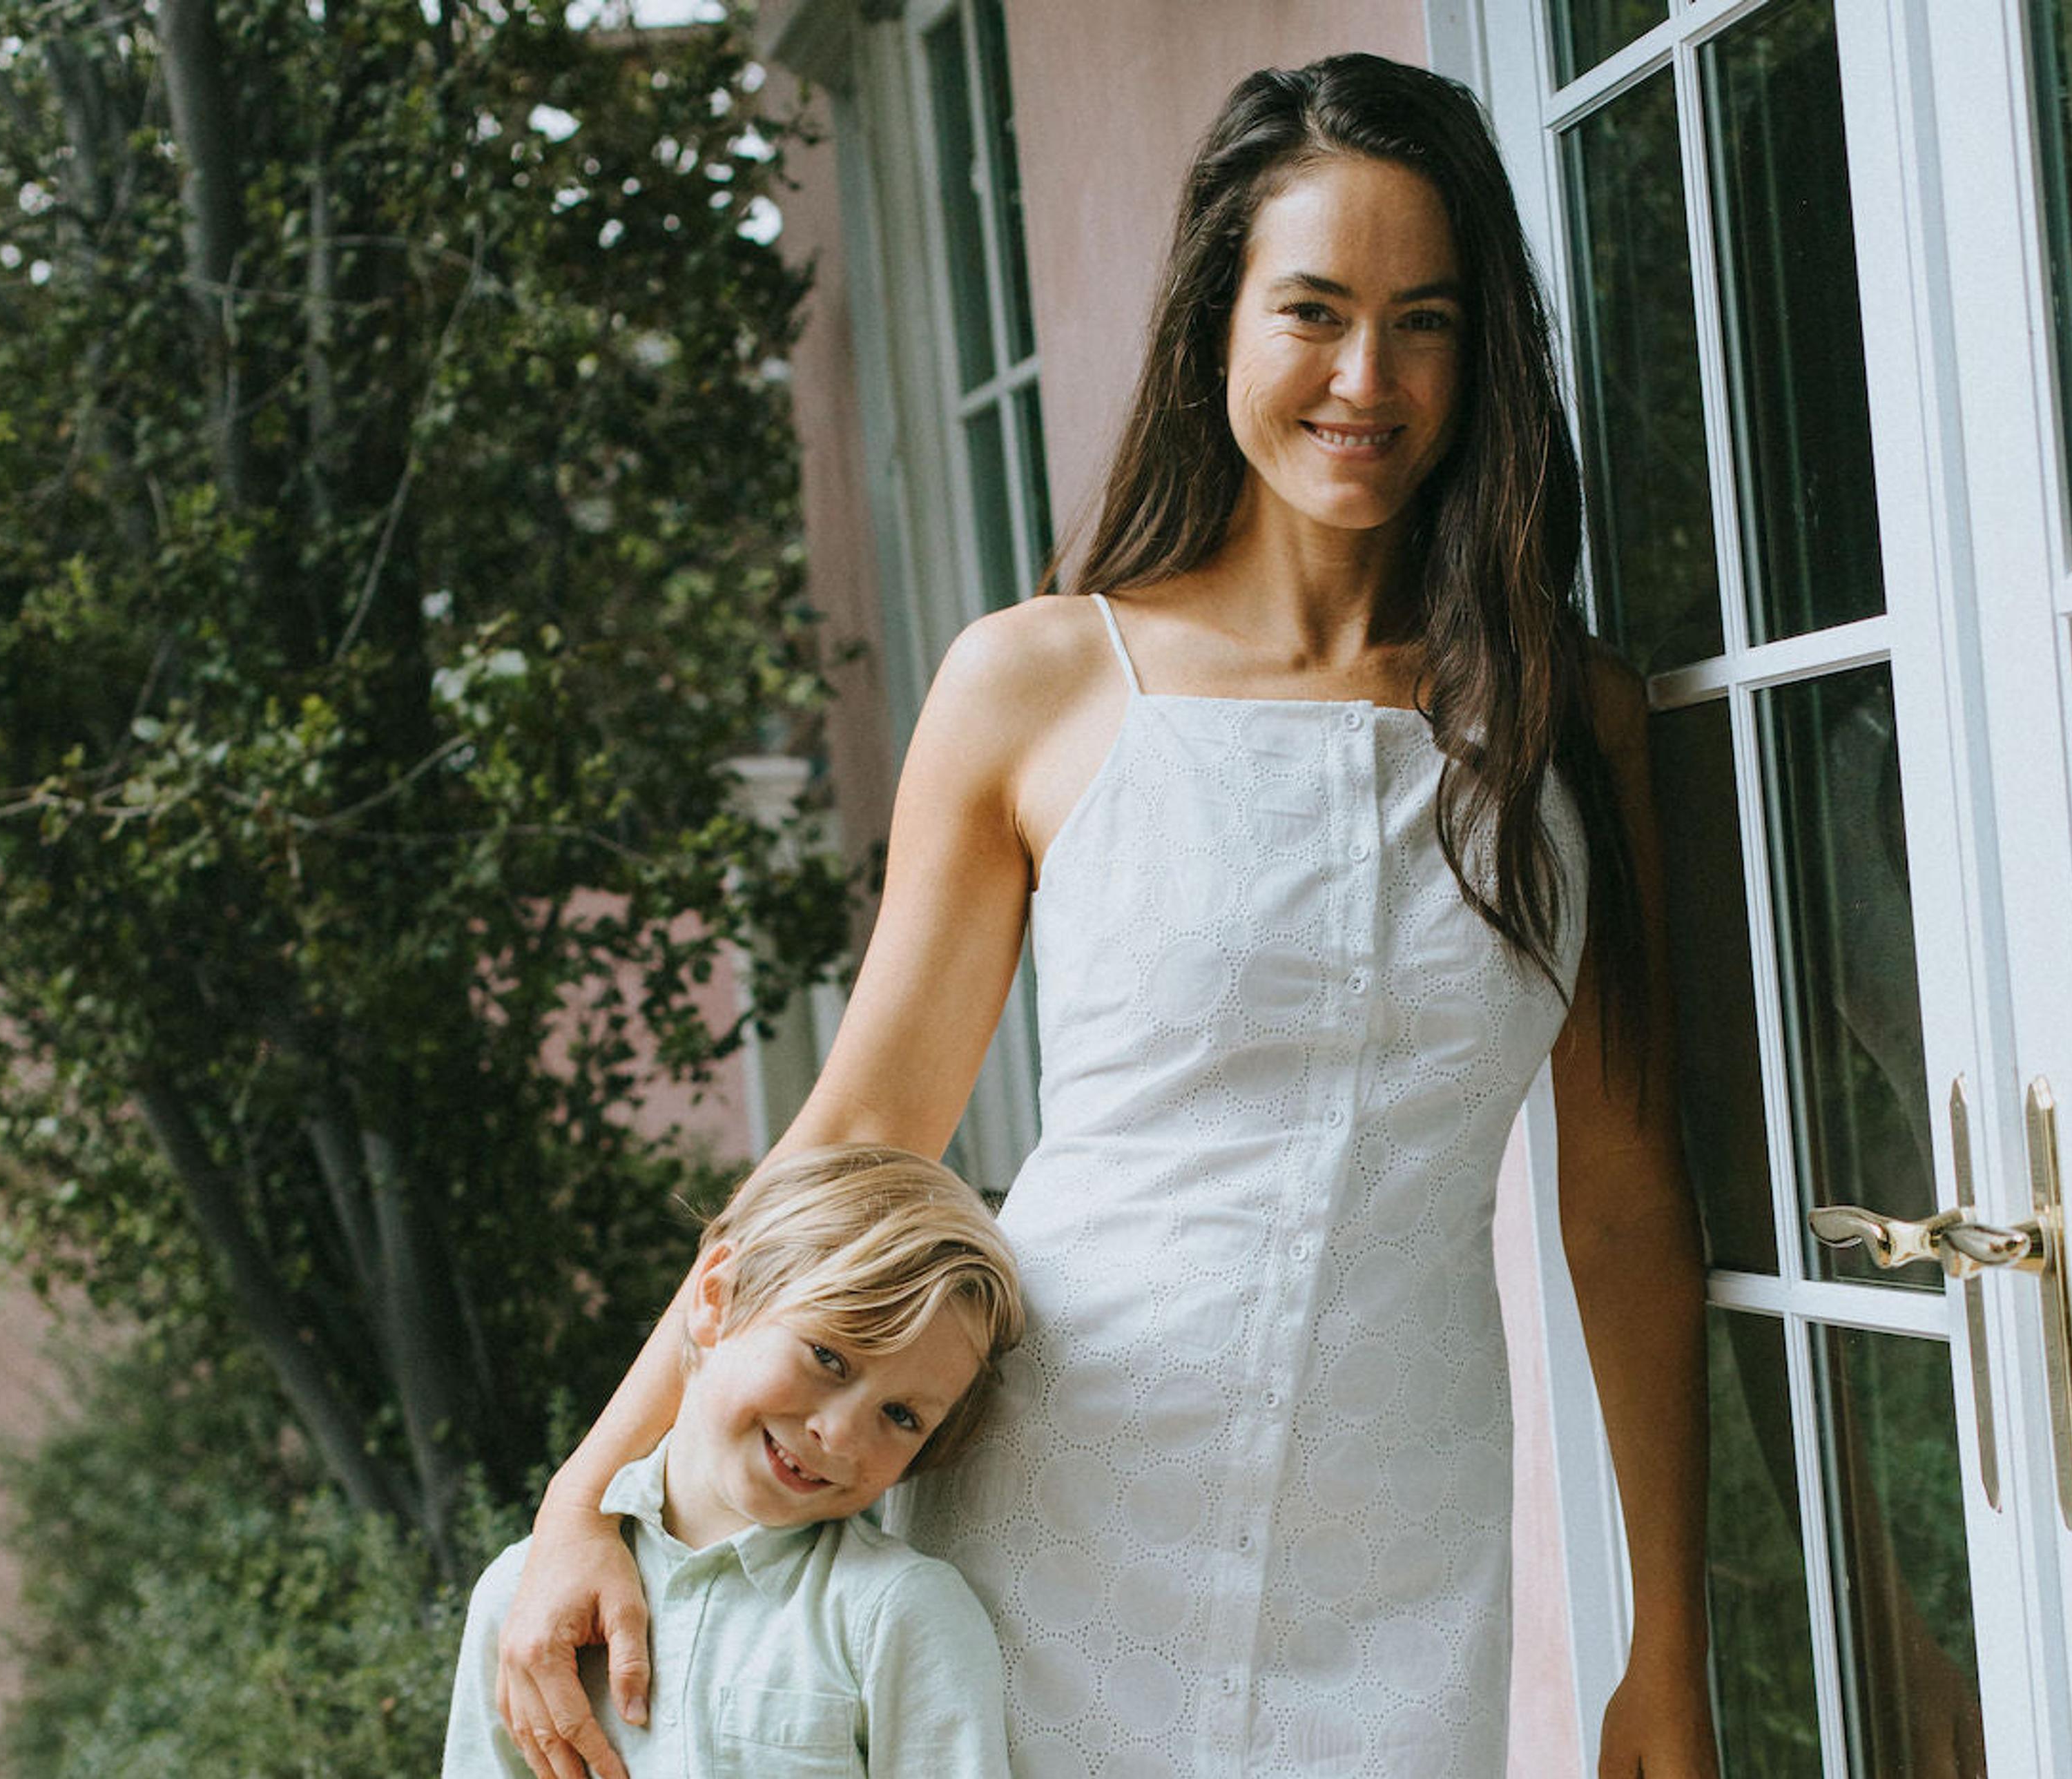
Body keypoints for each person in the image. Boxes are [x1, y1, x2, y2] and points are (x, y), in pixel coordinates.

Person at [498, 53, 1716, 1779]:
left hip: (1399, 1551)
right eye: (1310, 309)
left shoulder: (1562, 719)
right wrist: (589, 1492)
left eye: (1423, 321)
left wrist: (1663, 1642)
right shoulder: (1040, 682)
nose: (1365, 378)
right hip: (1045, 1524)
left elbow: (1622, 1200)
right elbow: (851, 1137)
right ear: (1215, 315)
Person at [445, 1143, 1026, 1778]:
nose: (837, 1433)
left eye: (901, 1415)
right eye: (829, 1356)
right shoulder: (523, 1595)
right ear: (717, 1296)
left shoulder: (900, 1615)